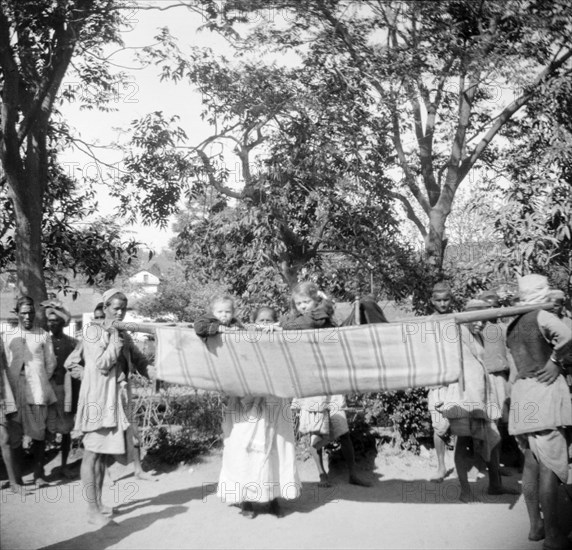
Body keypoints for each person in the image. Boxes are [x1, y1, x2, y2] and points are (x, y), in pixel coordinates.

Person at [66, 289, 154, 526]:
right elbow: (103, 364)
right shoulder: (93, 331)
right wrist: (115, 338)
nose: (120, 312)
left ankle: (99, 504)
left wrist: (153, 371)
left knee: (103, 455)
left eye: (123, 308)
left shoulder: (121, 332)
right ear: (105, 307)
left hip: (114, 399)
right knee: (92, 453)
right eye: (115, 308)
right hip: (97, 399)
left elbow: (138, 358)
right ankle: (92, 509)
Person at [205, 304, 299, 519]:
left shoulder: (282, 340)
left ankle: (273, 498)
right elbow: (232, 366)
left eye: (269, 321)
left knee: (275, 449)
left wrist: (279, 332)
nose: (265, 325)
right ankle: (245, 499)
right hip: (244, 402)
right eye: (261, 321)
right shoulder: (241, 339)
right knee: (243, 449)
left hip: (274, 403)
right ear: (253, 323)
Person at [506, 274, 572, 548]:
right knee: (551, 466)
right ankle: (555, 536)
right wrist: (556, 360)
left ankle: (536, 527)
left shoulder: (512, 323)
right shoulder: (542, 317)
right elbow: (569, 336)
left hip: (523, 395)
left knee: (531, 464)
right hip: (543, 393)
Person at [283, 282, 370, 488]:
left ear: (315, 300)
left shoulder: (322, 318)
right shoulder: (296, 319)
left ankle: (352, 473)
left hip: (330, 381)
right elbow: (290, 325)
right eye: (299, 303)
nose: (303, 306)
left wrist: (325, 304)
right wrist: (325, 303)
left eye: (307, 301)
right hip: (310, 382)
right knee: (314, 431)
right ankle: (322, 474)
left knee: (342, 430)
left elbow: (315, 322)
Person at [447, 299, 516, 502]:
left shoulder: (476, 335)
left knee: (493, 436)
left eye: (482, 320)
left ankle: (495, 484)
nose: (479, 323)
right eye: (475, 319)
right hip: (463, 395)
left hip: (482, 393)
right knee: (462, 441)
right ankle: (465, 490)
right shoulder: (456, 334)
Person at [4, 296, 57, 487]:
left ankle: (38, 474)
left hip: (36, 390)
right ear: (17, 313)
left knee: (38, 433)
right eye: (24, 312)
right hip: (15, 390)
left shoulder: (43, 334)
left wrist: (39, 378)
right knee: (14, 435)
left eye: (31, 312)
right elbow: (6, 362)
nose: (28, 316)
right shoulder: (8, 336)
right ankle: (16, 478)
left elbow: (51, 363)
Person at [42, 299, 78, 479]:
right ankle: (39, 470)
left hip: (64, 390)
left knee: (65, 430)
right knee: (43, 429)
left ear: (63, 323)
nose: (52, 324)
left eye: (56, 321)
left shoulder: (72, 343)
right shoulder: (42, 342)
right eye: (50, 321)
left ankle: (64, 465)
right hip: (46, 389)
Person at [426, 282, 455, 481]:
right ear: (432, 301)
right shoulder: (428, 322)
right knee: (439, 427)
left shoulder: (457, 319)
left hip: (455, 380)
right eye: (439, 300)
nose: (443, 304)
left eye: (446, 300)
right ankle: (441, 466)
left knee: (461, 424)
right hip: (437, 380)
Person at [0, 338, 23, 493]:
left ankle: (14, 482)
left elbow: (5, 367)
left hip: (2, 393)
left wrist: (9, 396)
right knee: (4, 437)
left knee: (7, 437)